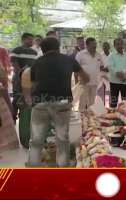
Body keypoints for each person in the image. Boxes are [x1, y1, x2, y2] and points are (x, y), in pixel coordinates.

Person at [27, 37, 89, 167]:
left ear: (43, 50)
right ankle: (62, 169)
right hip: (62, 103)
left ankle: (32, 170)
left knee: (36, 140)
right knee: (62, 140)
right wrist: (80, 84)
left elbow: (33, 84)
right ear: (58, 47)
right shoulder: (68, 59)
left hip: (40, 104)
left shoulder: (37, 62)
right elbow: (85, 77)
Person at [10, 33, 37, 127]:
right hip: (18, 79)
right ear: (24, 39)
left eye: (32, 39)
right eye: (30, 39)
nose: (32, 41)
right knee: (17, 98)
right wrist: (21, 76)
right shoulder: (16, 50)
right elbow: (15, 65)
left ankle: (27, 118)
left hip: (31, 80)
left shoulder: (34, 52)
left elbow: (35, 67)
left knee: (29, 98)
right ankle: (12, 117)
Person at [75, 37, 102, 112]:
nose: (95, 46)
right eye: (93, 44)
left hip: (94, 82)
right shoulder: (80, 54)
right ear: (87, 45)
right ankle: (81, 119)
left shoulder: (98, 55)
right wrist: (76, 81)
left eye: (95, 44)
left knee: (92, 103)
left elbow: (101, 66)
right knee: (82, 103)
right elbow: (75, 68)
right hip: (84, 83)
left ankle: (90, 121)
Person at [107, 38, 126, 107]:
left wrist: (123, 73)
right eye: (117, 44)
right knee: (113, 102)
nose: (120, 46)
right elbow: (110, 67)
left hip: (125, 82)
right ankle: (112, 116)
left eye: (121, 44)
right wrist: (119, 74)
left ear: (123, 45)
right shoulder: (111, 56)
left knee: (125, 103)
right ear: (114, 46)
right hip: (114, 82)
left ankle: (124, 117)